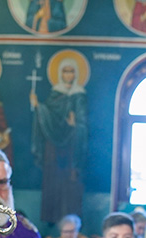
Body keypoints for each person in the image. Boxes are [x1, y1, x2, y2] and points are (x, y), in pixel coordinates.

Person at [31, 57, 88, 222]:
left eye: (71, 71)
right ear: (60, 73)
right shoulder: (55, 93)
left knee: (70, 181)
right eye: (65, 71)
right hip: (53, 148)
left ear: (76, 74)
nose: (68, 75)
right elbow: (50, 115)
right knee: (53, 180)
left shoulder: (79, 95)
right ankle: (51, 217)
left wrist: (75, 124)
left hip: (72, 146)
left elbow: (83, 123)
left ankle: (72, 220)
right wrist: (38, 106)